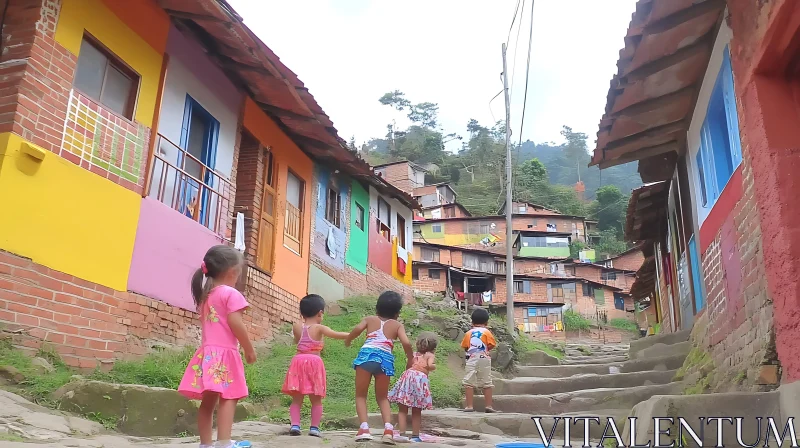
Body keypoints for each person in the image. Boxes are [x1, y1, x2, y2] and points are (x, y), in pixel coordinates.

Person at [178, 245, 255, 448]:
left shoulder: (206, 296)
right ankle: (224, 443)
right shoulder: (231, 293)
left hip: (208, 355)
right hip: (226, 354)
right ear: (233, 272)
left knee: (208, 401)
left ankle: (206, 444)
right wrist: (248, 347)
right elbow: (235, 322)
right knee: (230, 396)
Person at [345, 291, 413, 444]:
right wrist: (410, 358)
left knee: (361, 395)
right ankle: (388, 430)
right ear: (397, 312)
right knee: (382, 397)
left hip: (366, 356)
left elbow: (356, 329)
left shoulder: (369, 319)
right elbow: (407, 343)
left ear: (377, 308)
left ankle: (364, 429)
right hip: (384, 360)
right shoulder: (397, 325)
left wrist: (348, 340)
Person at [281, 294, 349, 437]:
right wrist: (353, 334)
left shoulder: (297, 326)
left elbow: (297, 341)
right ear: (320, 312)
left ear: (301, 312)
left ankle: (295, 425)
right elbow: (336, 334)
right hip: (314, 363)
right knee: (316, 399)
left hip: (298, 361)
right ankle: (314, 428)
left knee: (297, 398)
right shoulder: (319, 328)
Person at [388, 332, 438, 443]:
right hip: (420, 381)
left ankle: (402, 434)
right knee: (416, 410)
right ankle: (415, 436)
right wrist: (433, 366)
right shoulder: (430, 355)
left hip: (408, 378)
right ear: (434, 347)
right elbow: (429, 365)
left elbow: (408, 367)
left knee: (402, 408)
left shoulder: (414, 354)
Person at [461, 307, 497, 413]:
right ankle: (489, 406)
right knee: (487, 381)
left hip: (471, 359)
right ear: (486, 321)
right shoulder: (487, 332)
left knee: (469, 381)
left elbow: (465, 346)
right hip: (484, 358)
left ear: (472, 321)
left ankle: (469, 406)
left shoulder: (469, 333)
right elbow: (491, 345)